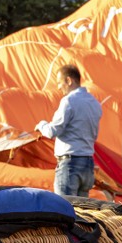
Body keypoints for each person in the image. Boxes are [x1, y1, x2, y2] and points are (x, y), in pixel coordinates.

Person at [35, 64, 102, 196]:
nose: (59, 87)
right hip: (88, 165)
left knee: (64, 210)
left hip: (70, 165)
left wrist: (41, 125)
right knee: (81, 212)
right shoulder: (95, 103)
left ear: (69, 81)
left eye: (60, 83)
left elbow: (52, 131)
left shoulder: (69, 101)